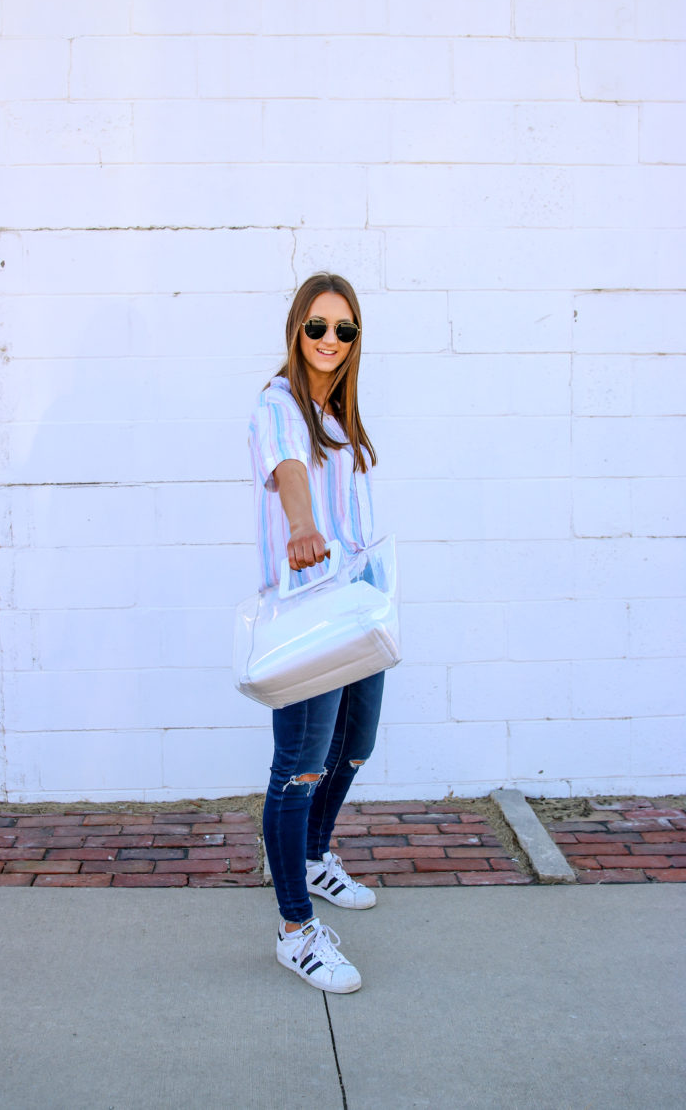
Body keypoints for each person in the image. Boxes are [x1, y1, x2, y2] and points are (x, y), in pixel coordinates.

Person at [248, 272, 384, 994]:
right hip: (310, 608)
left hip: (359, 608)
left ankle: (313, 856)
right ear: (297, 329)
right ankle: (295, 931)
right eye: (318, 326)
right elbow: (289, 471)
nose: (330, 340)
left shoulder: (343, 417)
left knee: (354, 746)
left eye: (345, 329)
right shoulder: (281, 405)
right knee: (299, 767)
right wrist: (301, 526)